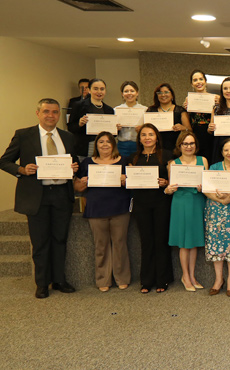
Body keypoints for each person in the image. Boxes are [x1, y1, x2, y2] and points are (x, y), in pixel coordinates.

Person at [0, 98, 78, 298]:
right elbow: (4, 161)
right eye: (46, 112)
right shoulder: (24, 135)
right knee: (40, 241)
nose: (50, 115)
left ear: (59, 115)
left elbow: (74, 162)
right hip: (37, 196)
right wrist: (22, 169)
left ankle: (59, 280)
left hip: (61, 194)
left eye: (54, 112)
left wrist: (74, 168)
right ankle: (42, 283)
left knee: (60, 239)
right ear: (38, 113)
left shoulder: (67, 137)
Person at [74, 131, 131, 292]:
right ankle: (102, 279)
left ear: (113, 145)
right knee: (101, 246)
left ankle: (122, 277)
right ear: (96, 145)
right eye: (101, 142)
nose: (105, 144)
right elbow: (77, 187)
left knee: (120, 244)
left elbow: (133, 184)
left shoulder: (124, 161)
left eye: (108, 142)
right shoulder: (86, 163)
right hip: (96, 208)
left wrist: (126, 180)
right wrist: (82, 183)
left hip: (120, 207)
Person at [129, 123, 173, 293]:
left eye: (151, 134)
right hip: (141, 204)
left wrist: (166, 182)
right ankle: (146, 280)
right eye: (143, 135)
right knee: (146, 242)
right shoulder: (133, 158)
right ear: (139, 139)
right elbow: (130, 181)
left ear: (157, 137)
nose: (147, 138)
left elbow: (173, 179)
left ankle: (163, 279)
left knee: (161, 241)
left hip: (161, 202)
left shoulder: (167, 155)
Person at [165, 132, 208, 292]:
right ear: (180, 146)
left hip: (197, 201)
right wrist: (168, 190)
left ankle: (192, 275)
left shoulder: (202, 160)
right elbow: (169, 188)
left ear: (195, 145)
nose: (188, 147)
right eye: (185, 144)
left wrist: (203, 187)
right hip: (181, 202)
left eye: (191, 143)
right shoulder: (173, 164)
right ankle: (185, 276)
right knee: (184, 242)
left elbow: (207, 184)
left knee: (194, 240)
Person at [203, 139, 230, 297]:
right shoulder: (214, 168)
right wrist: (221, 199)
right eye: (226, 150)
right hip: (215, 211)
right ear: (221, 152)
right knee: (216, 244)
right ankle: (218, 279)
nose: (229, 153)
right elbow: (206, 190)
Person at [68, 78, 114, 158]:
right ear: (89, 90)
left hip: (104, 148)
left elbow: (111, 134)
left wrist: (117, 129)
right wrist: (79, 123)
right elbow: (70, 127)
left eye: (102, 89)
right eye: (95, 89)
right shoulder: (78, 106)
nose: (99, 92)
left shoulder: (109, 110)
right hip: (85, 148)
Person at [146, 83, 191, 153]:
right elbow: (146, 129)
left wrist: (183, 128)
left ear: (172, 95)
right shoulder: (151, 110)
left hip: (175, 148)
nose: (163, 95)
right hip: (155, 148)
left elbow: (190, 130)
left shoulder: (180, 110)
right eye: (160, 93)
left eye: (166, 92)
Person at [185, 70, 217, 163]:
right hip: (196, 134)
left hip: (210, 134)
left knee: (210, 159)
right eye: (195, 80)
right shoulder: (188, 99)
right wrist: (186, 109)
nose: (198, 82)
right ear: (192, 84)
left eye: (201, 79)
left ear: (205, 81)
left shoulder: (215, 97)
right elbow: (188, 119)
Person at [114, 81, 147, 157]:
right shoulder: (116, 110)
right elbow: (111, 132)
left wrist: (142, 129)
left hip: (139, 144)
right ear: (122, 94)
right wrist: (116, 129)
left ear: (137, 93)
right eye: (126, 91)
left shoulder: (144, 110)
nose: (129, 93)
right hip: (122, 145)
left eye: (132, 91)